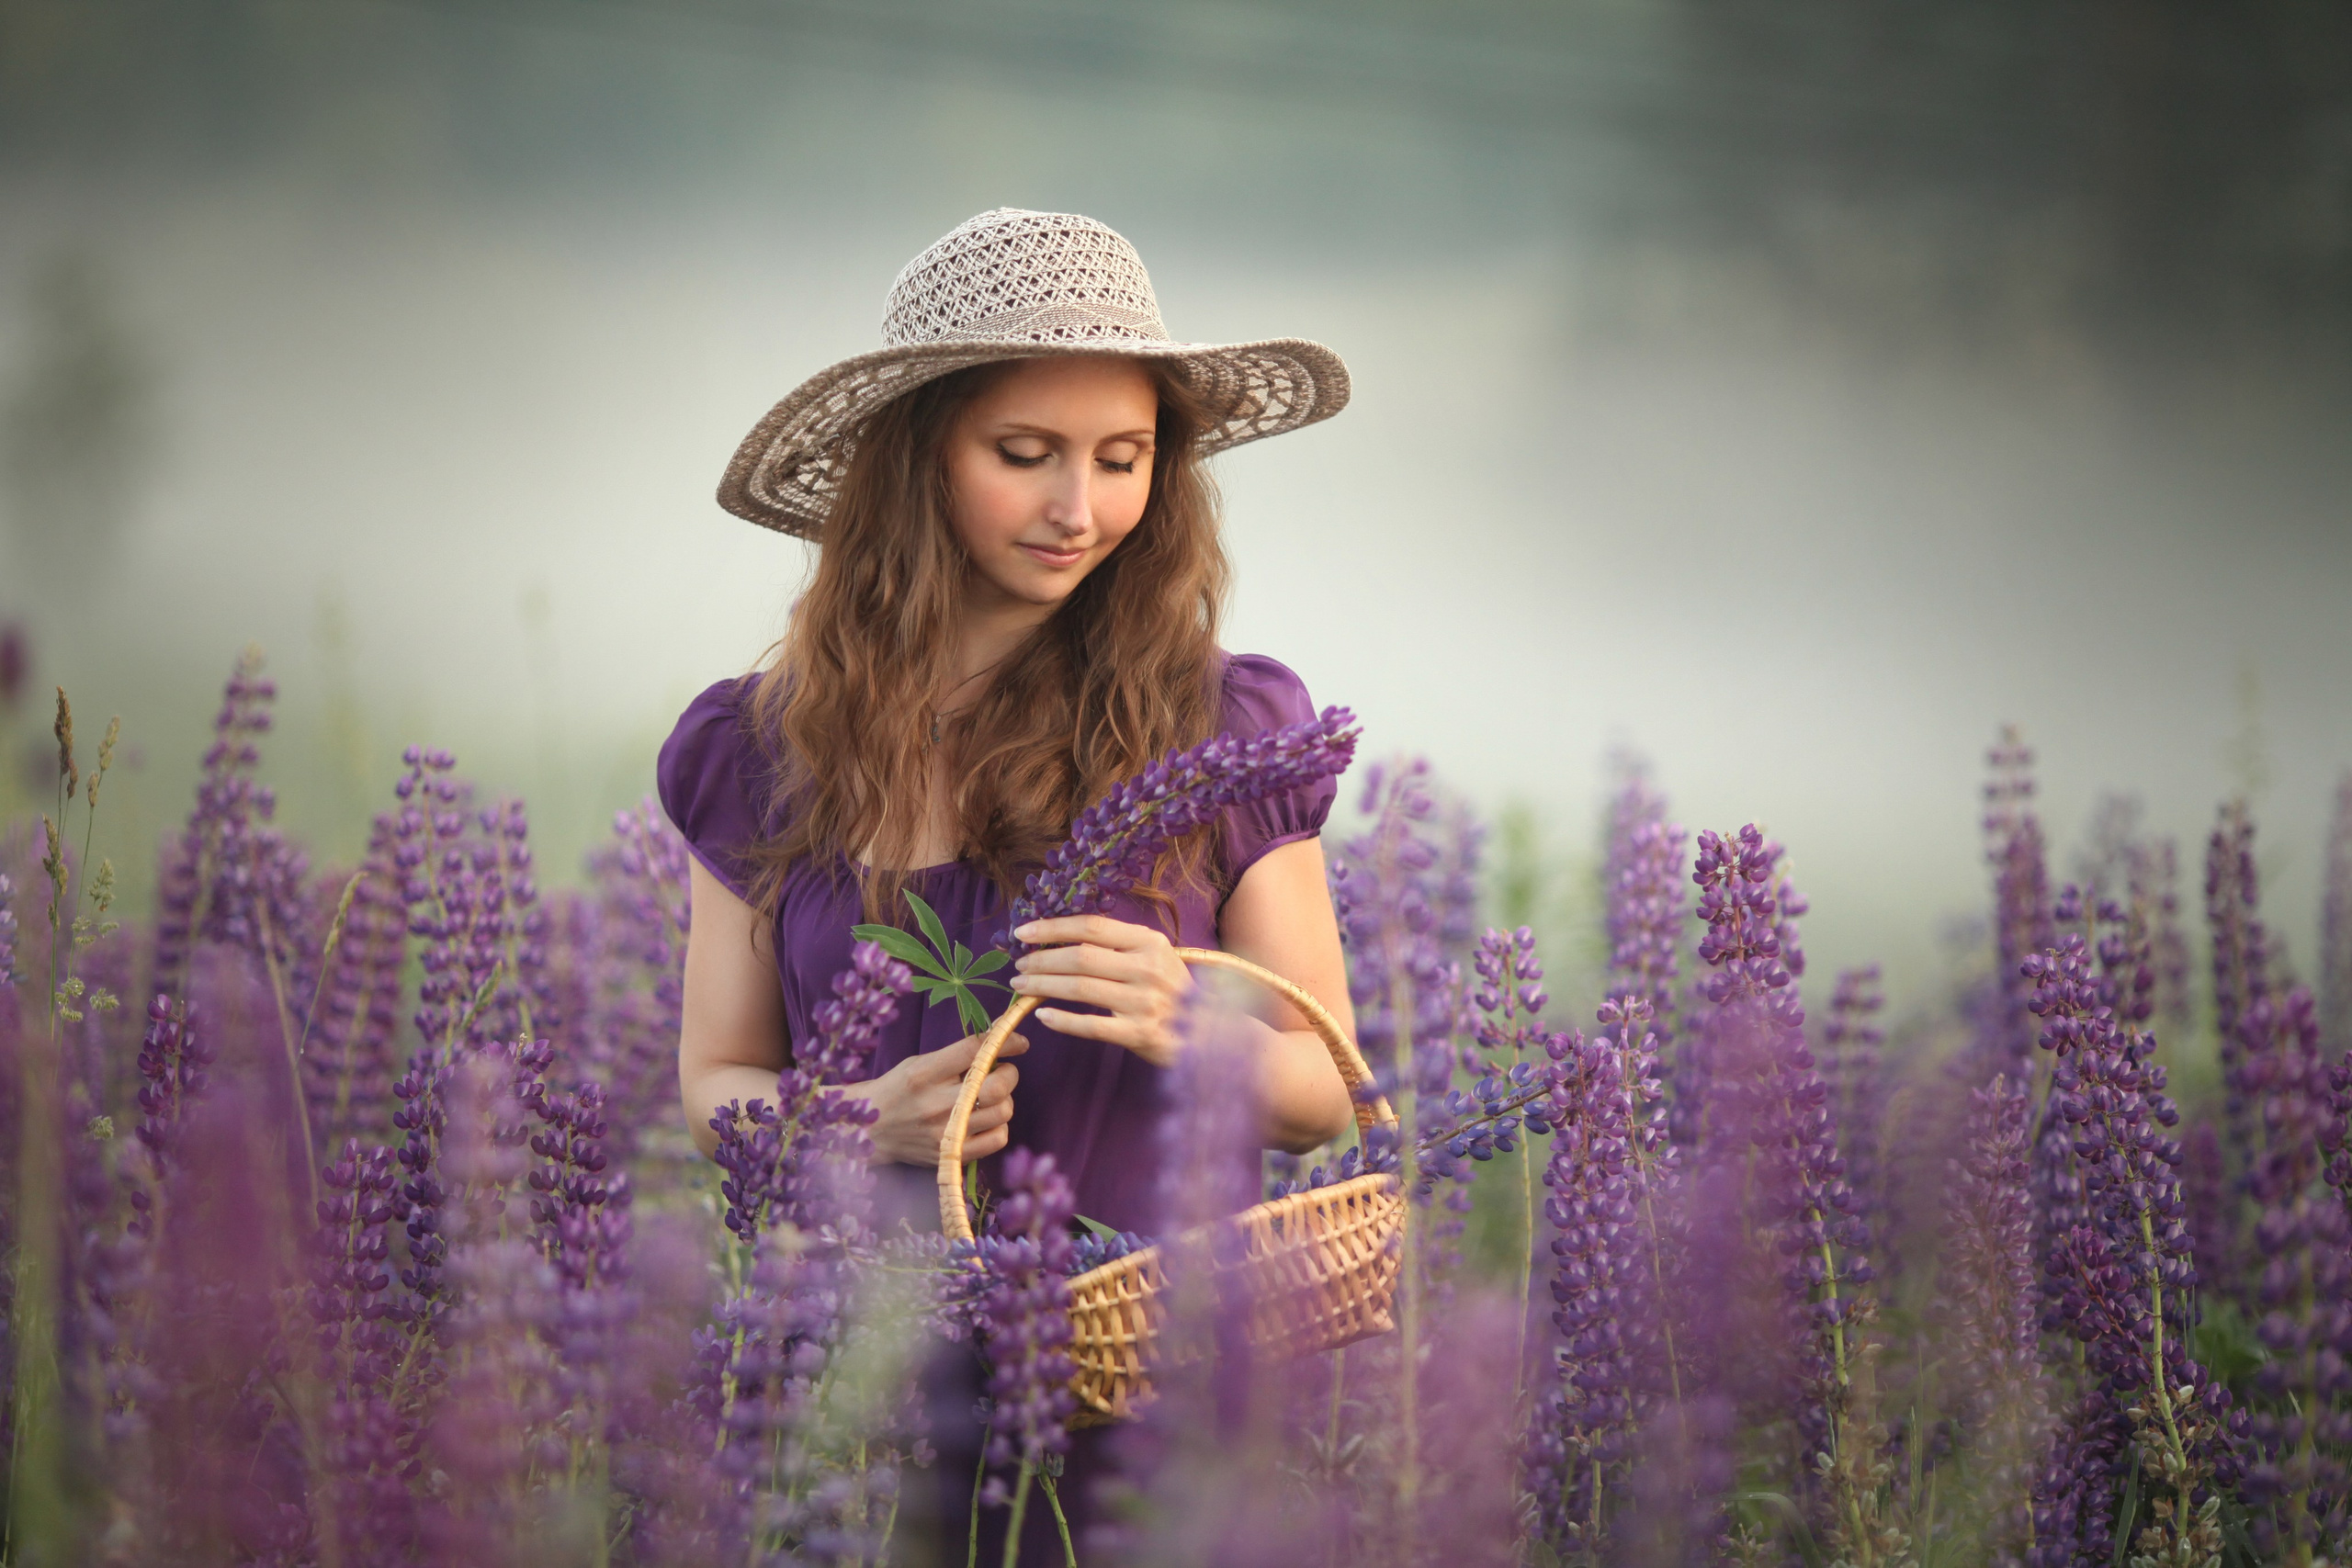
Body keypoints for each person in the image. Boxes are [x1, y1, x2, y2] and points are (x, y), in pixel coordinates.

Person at [661, 207, 1358, 1560]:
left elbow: (1324, 1094)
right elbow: (715, 1084)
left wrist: (1187, 1019)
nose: (1077, 509)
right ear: (915, 456)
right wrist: (848, 1121)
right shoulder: (756, 751)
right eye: (1024, 454)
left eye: (1122, 459)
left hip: (1148, 1393)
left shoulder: (1220, 731)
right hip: (868, 1400)